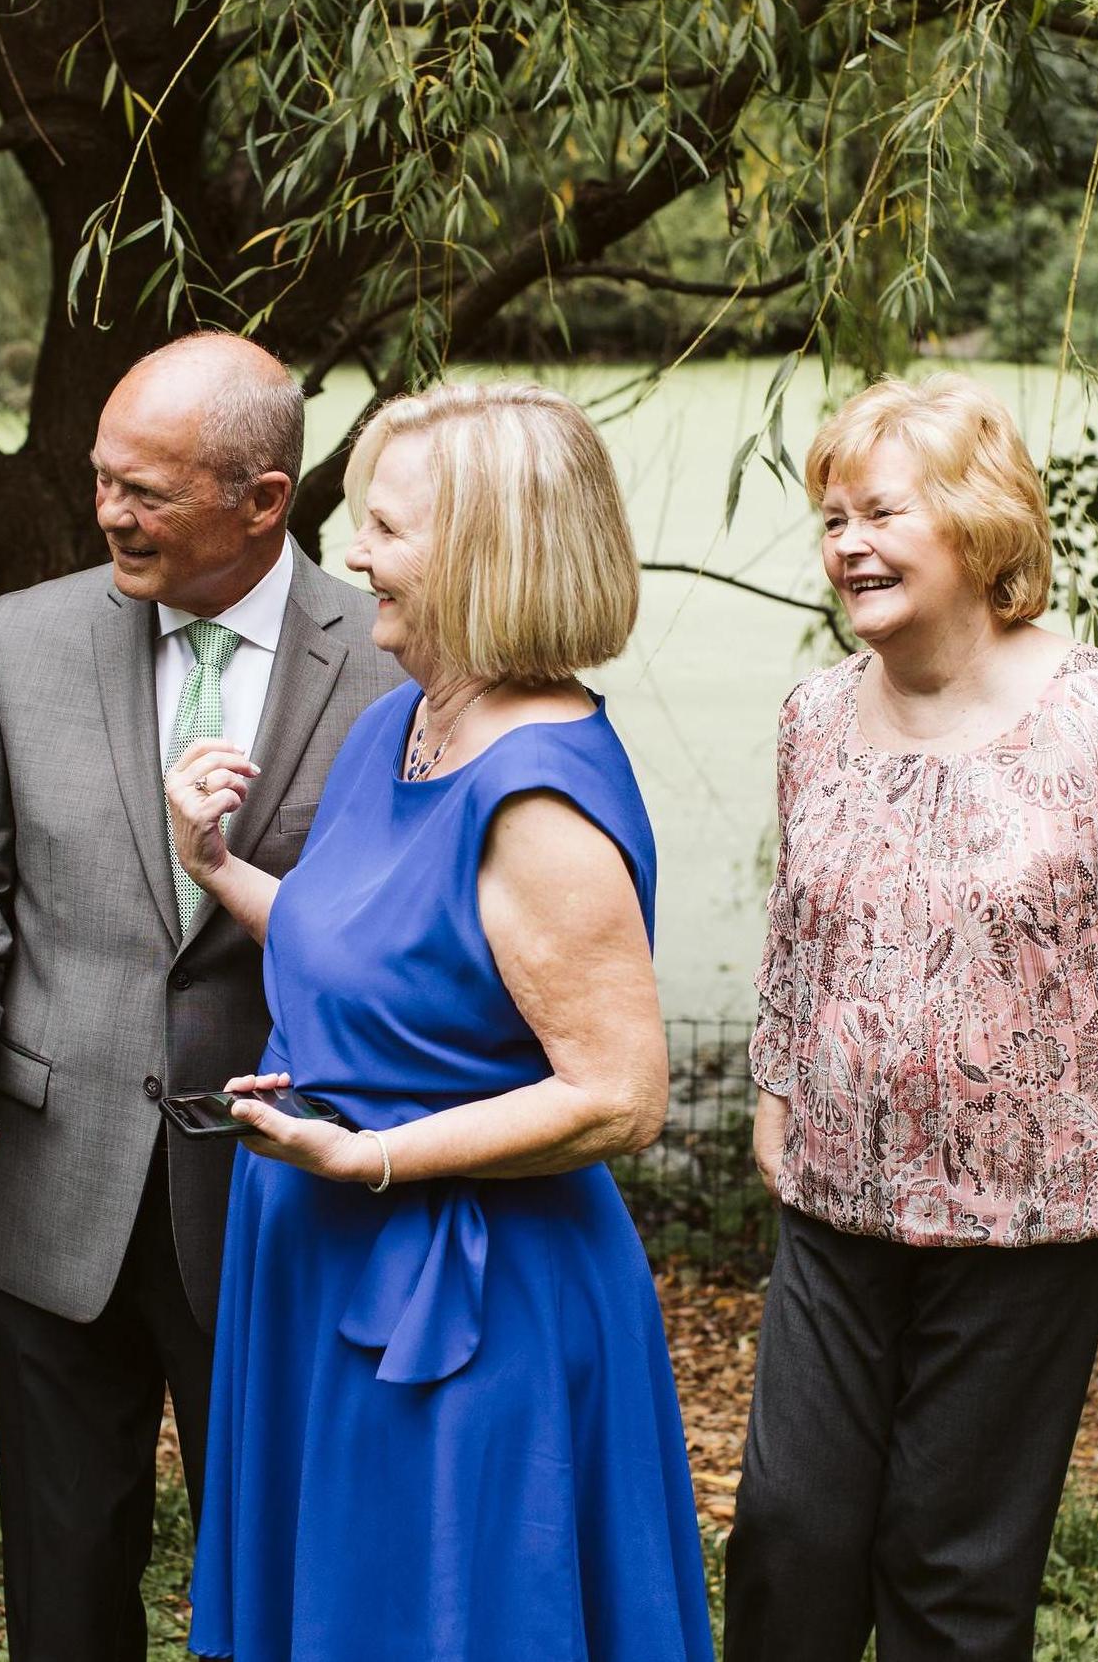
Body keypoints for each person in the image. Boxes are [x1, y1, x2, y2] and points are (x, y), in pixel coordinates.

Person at [722, 372, 1098, 1661]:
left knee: (950, 1573)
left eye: (880, 512)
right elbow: (802, 924)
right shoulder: (813, 716)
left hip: (1032, 1223)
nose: (845, 544)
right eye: (829, 519)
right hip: (834, 1203)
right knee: (787, 1539)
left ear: (979, 526)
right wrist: (775, 1087)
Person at [165, 381, 714, 1659]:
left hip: (465, 1311)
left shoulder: (537, 797)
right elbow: (376, 948)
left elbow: (622, 1092)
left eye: (386, 530)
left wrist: (374, 1155)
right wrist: (217, 867)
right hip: (323, 1264)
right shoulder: (394, 728)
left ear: (486, 549)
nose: (351, 556)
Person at [0, 331, 395, 1660]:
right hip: (52, 1181)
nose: (107, 512)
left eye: (143, 489)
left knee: (277, 1583)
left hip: (284, 1199)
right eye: (102, 478)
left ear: (263, 499)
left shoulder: (392, 663)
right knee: (63, 1579)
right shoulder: (18, 639)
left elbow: (418, 936)